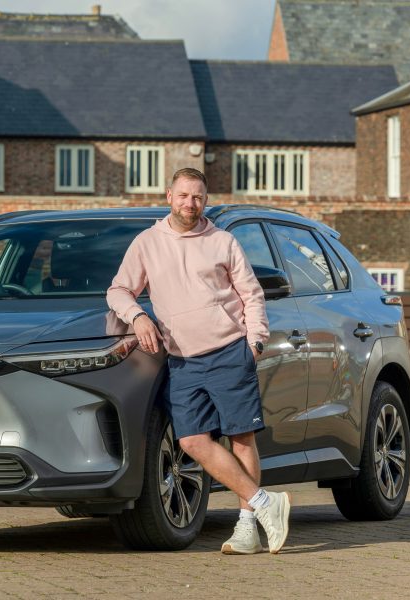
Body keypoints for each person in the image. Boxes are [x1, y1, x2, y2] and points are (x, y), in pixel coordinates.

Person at [106, 167, 291, 554]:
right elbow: (119, 290)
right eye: (184, 196)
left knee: (241, 436)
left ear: (206, 201)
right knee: (191, 440)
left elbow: (252, 294)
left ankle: (247, 529)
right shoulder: (147, 243)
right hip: (182, 359)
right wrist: (138, 316)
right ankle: (264, 502)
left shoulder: (222, 241)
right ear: (169, 196)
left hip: (229, 351)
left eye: (199, 198)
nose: (191, 204)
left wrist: (254, 342)